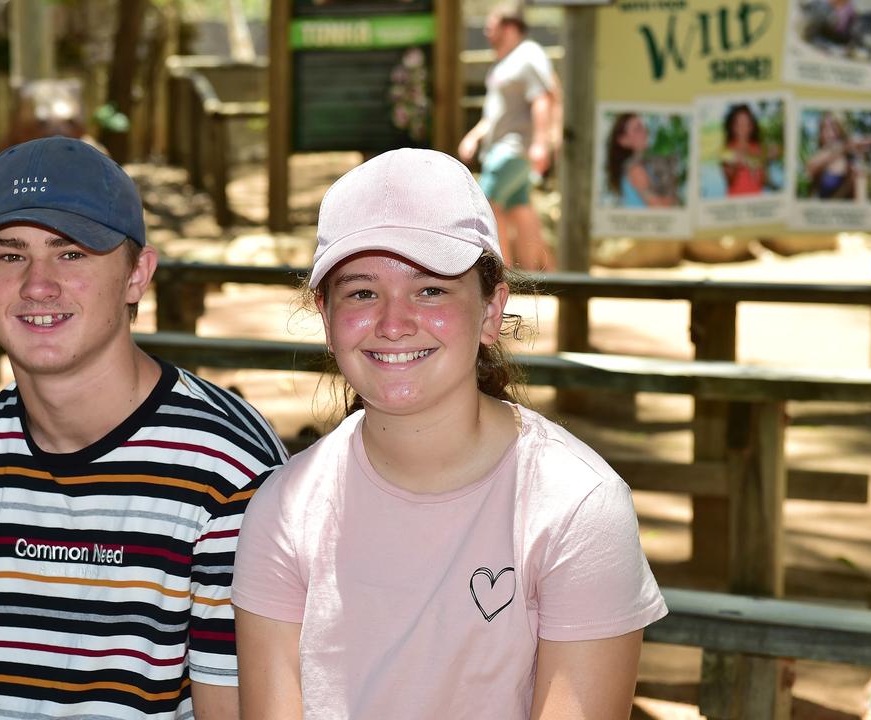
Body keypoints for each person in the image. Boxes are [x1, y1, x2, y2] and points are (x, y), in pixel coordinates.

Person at [232, 148, 666, 719]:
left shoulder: (577, 505)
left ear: (490, 311)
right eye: (362, 292)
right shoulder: (283, 508)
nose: (393, 322)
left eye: (431, 289)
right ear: (327, 316)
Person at [0, 136, 288, 719]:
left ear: (138, 274)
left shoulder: (228, 468)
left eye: (72, 253)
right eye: (10, 255)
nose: (38, 285)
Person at [457, 1, 558, 271]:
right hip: (502, 146)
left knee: (486, 204)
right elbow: (495, 113)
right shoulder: (506, 61)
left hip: (513, 148)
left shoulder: (528, 55)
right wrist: (474, 136)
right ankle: (548, 274)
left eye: (491, 27)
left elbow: (542, 99)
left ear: (510, 27)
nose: (487, 33)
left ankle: (500, 273)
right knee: (519, 209)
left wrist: (541, 143)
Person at [605, 113, 679, 208]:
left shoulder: (647, 163)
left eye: (643, 126)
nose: (644, 131)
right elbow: (659, 209)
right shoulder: (635, 169)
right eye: (637, 129)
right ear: (624, 141)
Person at [806, 111, 871, 200]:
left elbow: (861, 198)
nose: (829, 134)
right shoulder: (818, 158)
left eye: (833, 128)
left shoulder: (850, 161)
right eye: (824, 128)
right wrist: (846, 146)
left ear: (840, 130)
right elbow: (810, 169)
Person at [720, 103, 776, 196]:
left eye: (746, 123)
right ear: (732, 126)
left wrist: (768, 161)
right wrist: (734, 166)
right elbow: (729, 180)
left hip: (756, 199)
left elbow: (763, 181)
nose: (742, 127)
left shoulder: (758, 148)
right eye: (738, 123)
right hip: (735, 199)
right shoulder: (727, 149)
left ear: (752, 126)